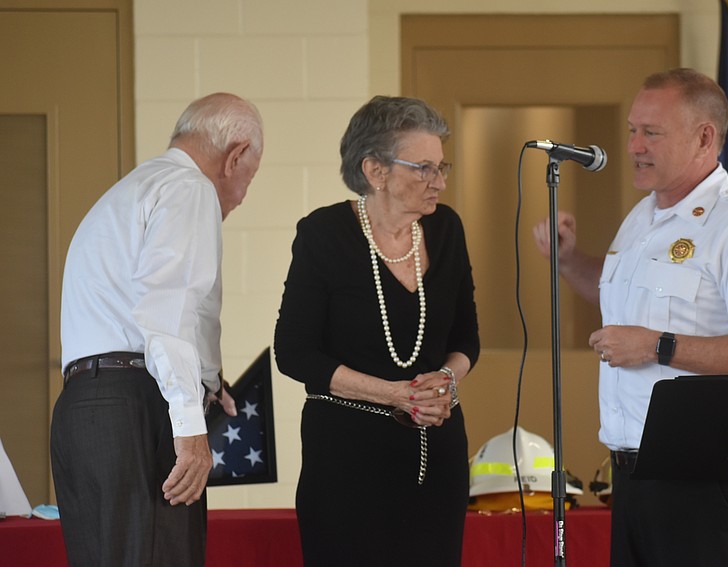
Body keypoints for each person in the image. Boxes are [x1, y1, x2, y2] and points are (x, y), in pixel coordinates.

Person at [533, 68, 728, 567]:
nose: (634, 145)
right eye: (632, 129)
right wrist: (570, 261)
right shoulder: (643, 218)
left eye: (651, 133)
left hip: (707, 480)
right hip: (634, 475)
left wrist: (659, 346)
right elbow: (621, 307)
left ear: (704, 137)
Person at [50, 93, 263, 567]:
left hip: (82, 412)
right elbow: (168, 311)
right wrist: (187, 425)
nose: (244, 195)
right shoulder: (191, 189)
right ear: (235, 156)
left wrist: (209, 381)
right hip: (137, 411)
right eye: (251, 176)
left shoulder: (126, 193)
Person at [274, 95, 480, 567]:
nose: (440, 182)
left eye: (442, 166)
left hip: (436, 451)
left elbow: (467, 338)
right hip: (346, 456)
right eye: (424, 168)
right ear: (375, 170)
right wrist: (392, 394)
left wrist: (447, 380)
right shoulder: (323, 233)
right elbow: (294, 352)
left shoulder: (446, 229)